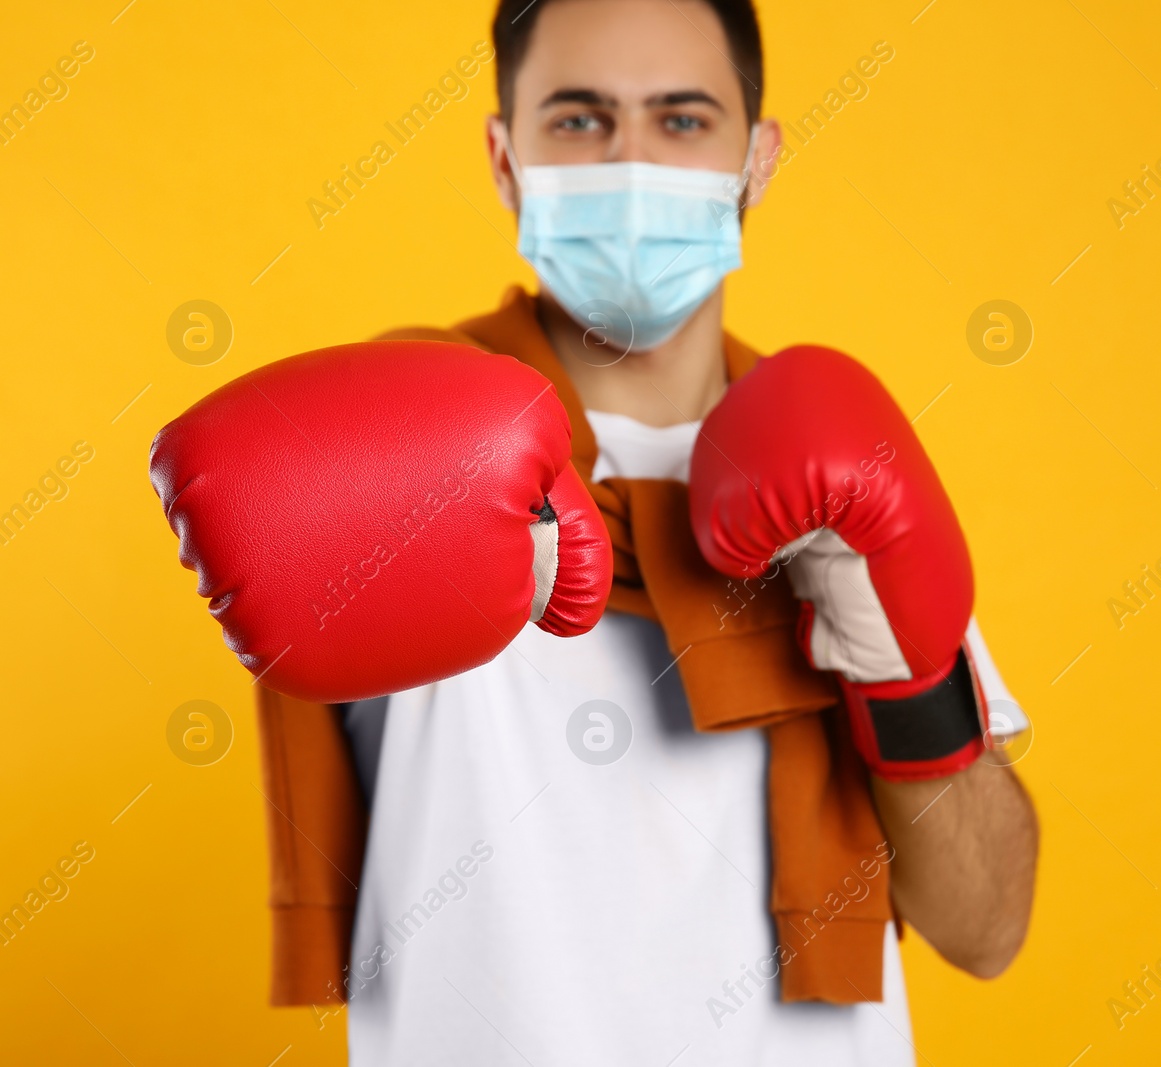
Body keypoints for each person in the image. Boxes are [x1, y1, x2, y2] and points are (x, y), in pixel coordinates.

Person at [314, 1, 1037, 1062]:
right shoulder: (402, 442)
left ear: (757, 158)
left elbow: (984, 927)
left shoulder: (841, 459)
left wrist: (897, 667)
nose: (633, 164)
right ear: (504, 157)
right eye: (580, 120)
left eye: (683, 120)